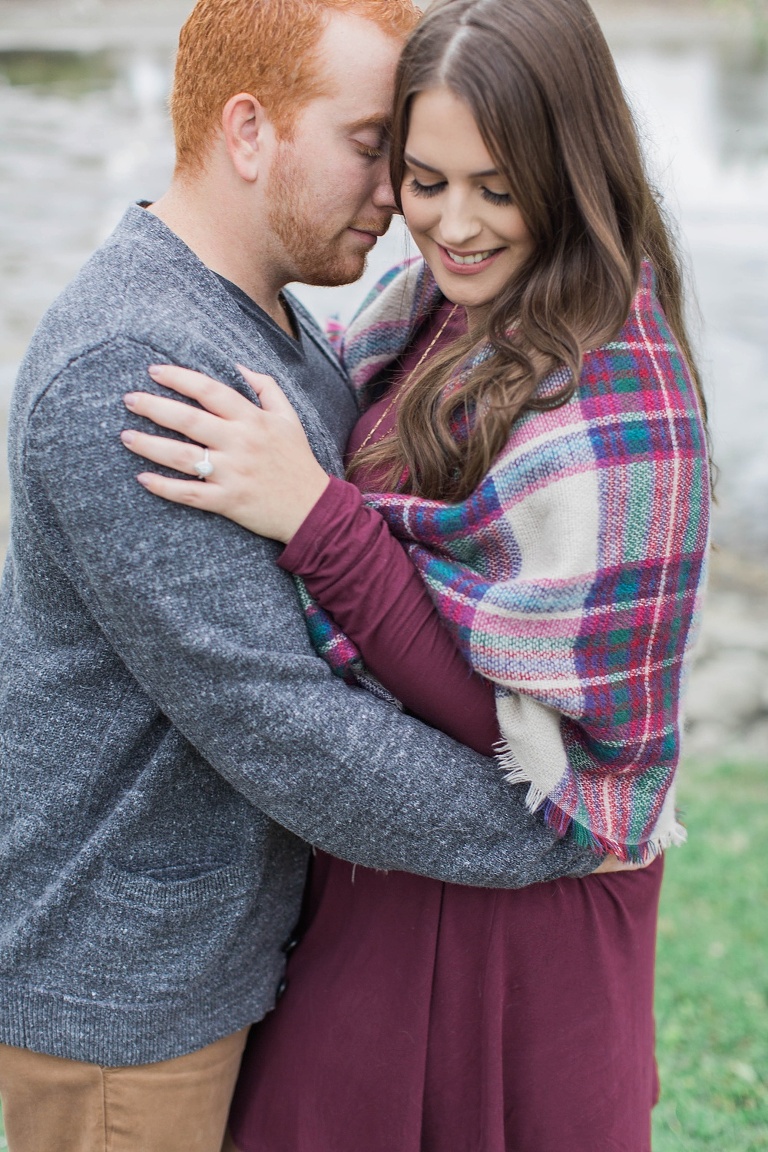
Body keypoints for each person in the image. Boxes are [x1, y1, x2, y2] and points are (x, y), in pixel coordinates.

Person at [0, 0, 622, 1149]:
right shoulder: (132, 370)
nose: (399, 192)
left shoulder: (265, 327)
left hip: (218, 968)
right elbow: (288, 728)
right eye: (369, 146)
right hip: (125, 1008)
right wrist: (563, 824)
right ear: (250, 131)